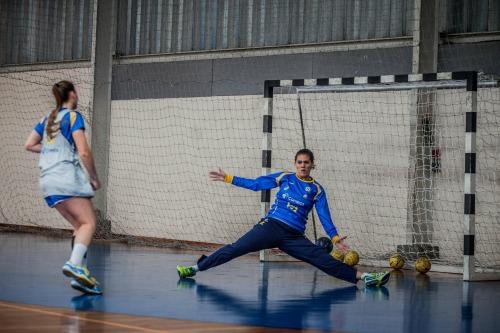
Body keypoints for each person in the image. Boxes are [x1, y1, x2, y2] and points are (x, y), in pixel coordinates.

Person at [177, 149, 389, 287]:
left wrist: (334, 238)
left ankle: (364, 277)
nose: (303, 165)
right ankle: (194, 269)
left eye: (306, 162)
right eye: (299, 162)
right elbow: (256, 184)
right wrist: (228, 178)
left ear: (312, 164)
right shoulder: (285, 178)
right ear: (295, 163)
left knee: (322, 259)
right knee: (235, 248)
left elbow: (324, 215)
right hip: (270, 227)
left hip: (293, 236)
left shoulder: (316, 189)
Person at [24, 80, 102, 294]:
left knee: (78, 227)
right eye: (76, 93)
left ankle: (79, 277)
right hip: (66, 177)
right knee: (88, 223)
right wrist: (94, 178)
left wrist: (54, 151)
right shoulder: (73, 116)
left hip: (48, 182)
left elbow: (29, 144)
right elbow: (84, 152)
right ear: (72, 94)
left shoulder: (47, 118)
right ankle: (74, 264)